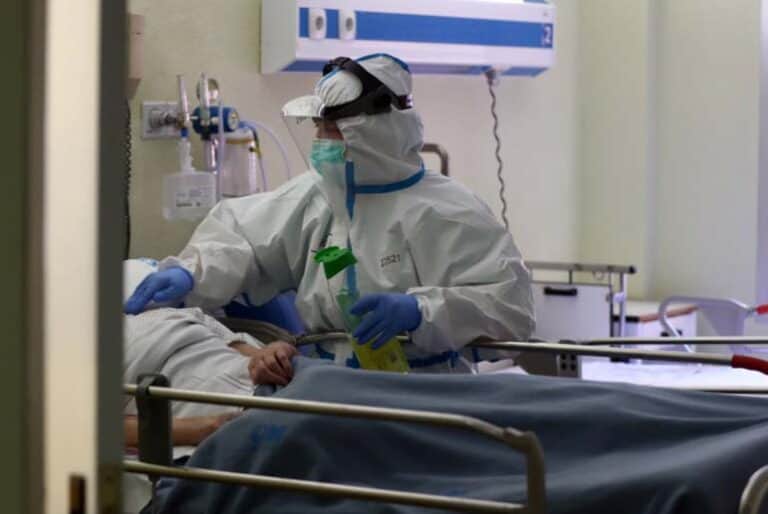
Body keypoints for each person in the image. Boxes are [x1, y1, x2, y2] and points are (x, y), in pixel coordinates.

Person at [124, 53, 535, 372]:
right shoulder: (315, 196)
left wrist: (422, 312)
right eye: (319, 128)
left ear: (378, 131)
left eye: (335, 130)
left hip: (424, 389)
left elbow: (508, 307)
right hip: (324, 382)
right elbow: (246, 242)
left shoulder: (449, 212)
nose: (321, 141)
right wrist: (192, 273)